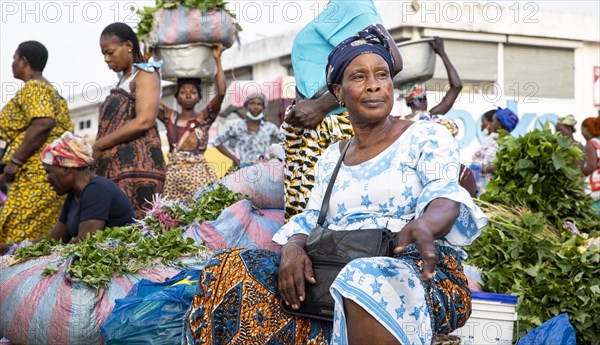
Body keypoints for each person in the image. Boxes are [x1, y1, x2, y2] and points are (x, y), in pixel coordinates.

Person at [182, 25, 487, 345]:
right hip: (337, 263)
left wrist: (426, 224)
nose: (373, 86)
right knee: (233, 266)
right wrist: (293, 248)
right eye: (359, 77)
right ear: (338, 93)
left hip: (416, 268)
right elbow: (311, 217)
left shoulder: (425, 135)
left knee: (363, 278)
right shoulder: (333, 156)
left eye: (382, 75)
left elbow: (444, 193)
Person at [282, 0, 402, 220]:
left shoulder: (350, 3)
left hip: (335, 128)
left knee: (328, 226)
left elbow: (391, 59)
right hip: (320, 127)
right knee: (310, 224)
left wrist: (320, 106)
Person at [0, 132, 134, 255]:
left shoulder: (97, 190)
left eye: (48, 172)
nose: (47, 179)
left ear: (67, 169)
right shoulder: (73, 195)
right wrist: (11, 248)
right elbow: (55, 239)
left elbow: (85, 242)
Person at [0, 41, 74, 243]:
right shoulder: (50, 91)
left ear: (24, 61)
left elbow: (43, 122)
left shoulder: (35, 88)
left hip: (35, 179)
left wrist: (15, 161)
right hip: (43, 176)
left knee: (20, 241)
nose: (12, 63)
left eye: (14, 58)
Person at [94, 23, 166, 218]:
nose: (106, 59)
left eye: (109, 52)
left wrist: (100, 144)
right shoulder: (123, 80)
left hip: (137, 172)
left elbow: (144, 120)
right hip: (116, 169)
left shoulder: (146, 74)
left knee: (134, 232)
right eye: (103, 54)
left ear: (128, 46)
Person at [157, 44, 226, 201]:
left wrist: (217, 59)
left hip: (199, 178)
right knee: (172, 219)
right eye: (183, 92)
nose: (188, 96)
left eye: (193, 92)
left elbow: (221, 93)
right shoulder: (170, 117)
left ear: (199, 97)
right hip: (173, 180)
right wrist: (147, 62)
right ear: (176, 97)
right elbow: (150, 97)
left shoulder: (204, 118)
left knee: (200, 215)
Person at [400, 37, 463, 120]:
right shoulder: (429, 118)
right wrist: (442, 52)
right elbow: (456, 86)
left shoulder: (398, 122)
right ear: (425, 100)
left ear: (406, 101)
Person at [213, 93, 284, 166]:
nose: (255, 106)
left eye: (259, 104)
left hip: (264, 172)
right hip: (243, 171)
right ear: (247, 106)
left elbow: (285, 141)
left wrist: (276, 157)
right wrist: (234, 159)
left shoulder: (270, 127)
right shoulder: (238, 126)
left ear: (263, 108)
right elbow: (217, 142)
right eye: (252, 103)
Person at [479, 107, 519, 175]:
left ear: (500, 125)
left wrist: (486, 168)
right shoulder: (495, 138)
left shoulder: (507, 142)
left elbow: (503, 167)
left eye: (493, 120)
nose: (491, 123)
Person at [581, 117, 600, 213]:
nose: (581, 133)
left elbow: (592, 166)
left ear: (587, 130)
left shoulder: (591, 144)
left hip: (596, 186)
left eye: (582, 130)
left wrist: (581, 170)